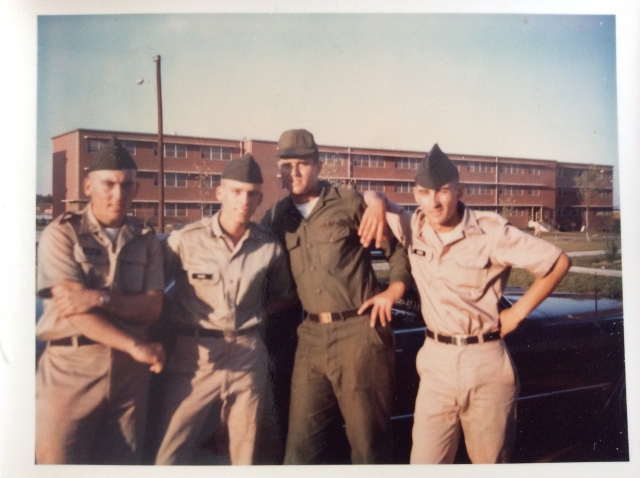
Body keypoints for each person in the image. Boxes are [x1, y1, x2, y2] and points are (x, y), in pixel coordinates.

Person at [362, 143, 571, 464]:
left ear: (459, 190)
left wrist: (516, 313)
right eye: (424, 192)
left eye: (443, 191)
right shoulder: (413, 226)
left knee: (489, 464)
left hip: (485, 363)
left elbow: (557, 262)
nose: (433, 201)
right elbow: (372, 195)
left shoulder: (490, 231)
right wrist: (376, 202)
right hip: (435, 365)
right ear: (415, 193)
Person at [261, 129, 412, 464]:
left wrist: (393, 291)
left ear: (318, 165)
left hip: (359, 333)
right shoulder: (276, 217)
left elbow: (397, 253)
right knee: (299, 449)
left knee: (368, 446)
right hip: (311, 338)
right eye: (287, 165)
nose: (294, 172)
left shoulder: (350, 202)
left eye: (302, 164)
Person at [155, 154, 296, 465]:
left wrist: (251, 314)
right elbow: (153, 293)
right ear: (220, 193)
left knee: (244, 452)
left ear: (260, 197)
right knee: (171, 449)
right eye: (235, 191)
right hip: (195, 355)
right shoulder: (184, 241)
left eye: (251, 193)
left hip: (247, 351)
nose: (243, 200)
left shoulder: (268, 247)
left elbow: (285, 295)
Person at [35, 136, 166, 464]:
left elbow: (152, 307)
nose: (118, 194)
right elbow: (73, 312)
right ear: (88, 185)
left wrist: (100, 298)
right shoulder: (61, 234)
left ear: (136, 189)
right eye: (108, 183)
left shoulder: (146, 239)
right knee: (58, 462)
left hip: (129, 378)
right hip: (71, 369)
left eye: (127, 185)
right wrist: (134, 344)